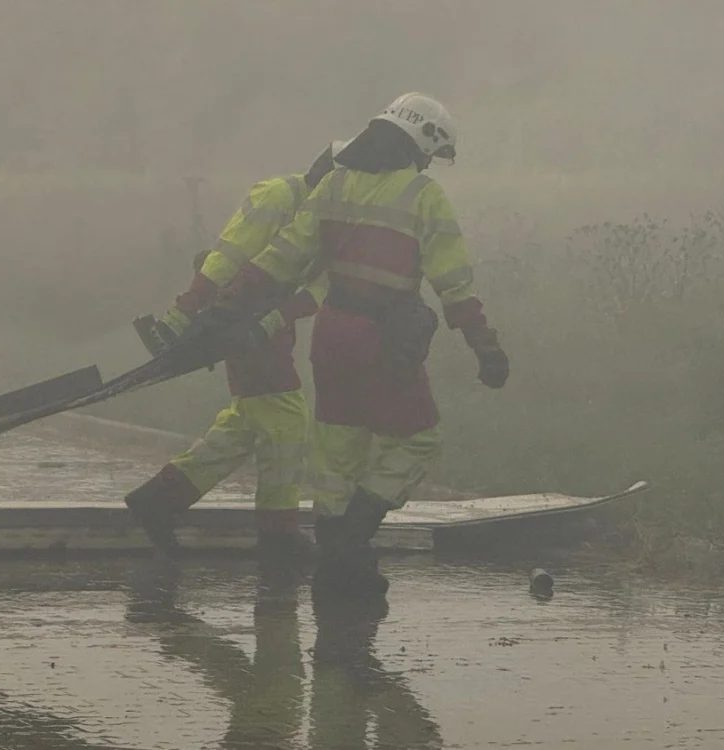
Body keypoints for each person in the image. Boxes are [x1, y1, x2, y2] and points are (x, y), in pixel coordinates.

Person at [213, 93, 510, 598]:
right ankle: (350, 543)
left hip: (331, 334)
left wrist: (230, 298)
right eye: (432, 153)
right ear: (421, 142)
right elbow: (453, 282)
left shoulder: (334, 183)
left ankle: (336, 573)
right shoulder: (423, 195)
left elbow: (284, 254)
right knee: (418, 440)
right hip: (381, 341)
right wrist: (486, 347)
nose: (429, 164)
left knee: (337, 456)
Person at [124, 141, 351, 566]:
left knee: (247, 422)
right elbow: (228, 255)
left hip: (263, 324)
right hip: (233, 312)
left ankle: (159, 499)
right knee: (285, 417)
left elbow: (322, 287)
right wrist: (184, 314)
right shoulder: (280, 196)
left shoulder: (334, 222)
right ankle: (279, 534)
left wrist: (275, 320)